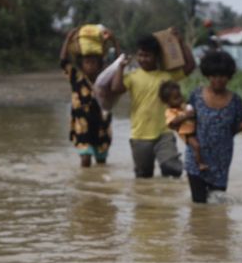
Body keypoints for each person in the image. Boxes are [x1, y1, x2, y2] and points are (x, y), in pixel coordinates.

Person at [173, 49, 242, 204]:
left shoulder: (235, 101)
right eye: (214, 76)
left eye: (222, 76)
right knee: (199, 204)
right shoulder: (196, 96)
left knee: (217, 204)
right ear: (208, 75)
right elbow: (187, 122)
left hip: (221, 161)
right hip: (196, 160)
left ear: (229, 77)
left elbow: (234, 129)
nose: (218, 80)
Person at [110, 30, 196, 178]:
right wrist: (120, 67)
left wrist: (181, 44)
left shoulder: (167, 76)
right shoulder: (132, 76)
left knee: (172, 169)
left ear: (156, 57)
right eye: (140, 55)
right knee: (144, 177)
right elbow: (116, 88)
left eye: (147, 55)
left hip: (165, 133)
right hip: (140, 135)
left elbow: (190, 66)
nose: (143, 59)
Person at [60, 26, 115, 167]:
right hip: (82, 126)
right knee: (85, 159)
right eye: (87, 62)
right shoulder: (76, 78)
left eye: (93, 62)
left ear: (99, 64)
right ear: (82, 64)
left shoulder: (105, 78)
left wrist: (113, 40)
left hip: (101, 126)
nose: (90, 65)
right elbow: (63, 61)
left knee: (101, 162)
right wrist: (68, 39)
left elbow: (119, 63)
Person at [160, 81, 203, 171]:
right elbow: (172, 123)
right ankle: (200, 163)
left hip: (195, 129)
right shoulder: (170, 111)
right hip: (187, 133)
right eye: (176, 98)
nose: (180, 99)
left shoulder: (184, 106)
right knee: (196, 146)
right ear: (167, 102)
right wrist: (185, 115)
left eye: (180, 96)